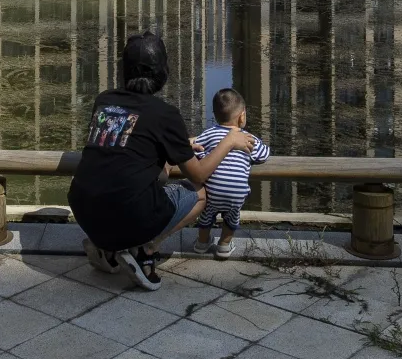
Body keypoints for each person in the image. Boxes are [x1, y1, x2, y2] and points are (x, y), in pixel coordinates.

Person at [68, 32, 259, 290]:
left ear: (124, 70)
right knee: (200, 194)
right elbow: (198, 174)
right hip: (128, 212)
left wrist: (177, 146)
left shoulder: (104, 100)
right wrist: (229, 141)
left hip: (83, 209)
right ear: (162, 72)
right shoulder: (165, 114)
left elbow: (125, 144)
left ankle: (107, 248)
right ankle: (145, 250)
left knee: (143, 180)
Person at [191, 88, 268, 258]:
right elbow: (264, 154)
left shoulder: (209, 133)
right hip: (236, 193)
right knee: (232, 218)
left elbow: (195, 148)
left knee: (206, 216)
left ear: (215, 115)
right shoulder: (247, 138)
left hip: (212, 192)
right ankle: (224, 246)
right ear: (242, 116)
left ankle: (202, 244)